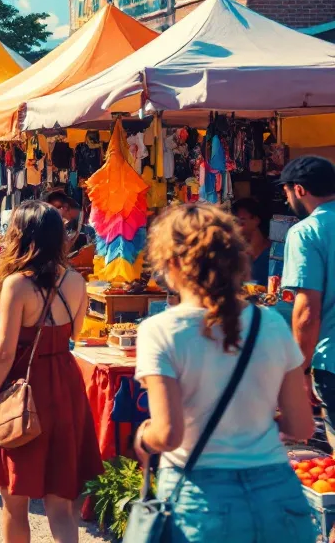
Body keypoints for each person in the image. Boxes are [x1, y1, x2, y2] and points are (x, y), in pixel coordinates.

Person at [136, 203, 314, 543]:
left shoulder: (160, 330)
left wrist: (144, 437)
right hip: (277, 495)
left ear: (171, 263)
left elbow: (168, 435)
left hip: (202, 499)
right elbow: (302, 426)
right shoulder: (272, 323)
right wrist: (254, 420)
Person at [0, 201, 101, 541]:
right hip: (65, 387)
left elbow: (5, 352)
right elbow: (76, 332)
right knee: (61, 507)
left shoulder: (17, 284)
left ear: (21, 236)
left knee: (15, 502)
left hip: (24, 390)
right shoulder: (76, 281)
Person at [283, 156, 335, 437]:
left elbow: (307, 312)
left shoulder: (306, 232)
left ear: (299, 189)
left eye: (287, 191)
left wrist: (300, 372)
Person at [230, 197, 272, 285]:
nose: (236, 225)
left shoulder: (273, 254)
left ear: (256, 220)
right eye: (234, 221)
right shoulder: (236, 254)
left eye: (241, 220)